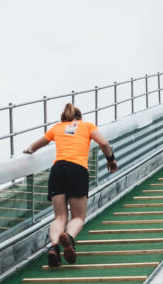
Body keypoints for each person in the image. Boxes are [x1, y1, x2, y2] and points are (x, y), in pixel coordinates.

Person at [23, 104, 118, 267]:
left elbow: (34, 146)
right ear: (79, 117)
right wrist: (111, 160)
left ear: (64, 118)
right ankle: (68, 237)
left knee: (59, 217)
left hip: (57, 170)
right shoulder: (87, 126)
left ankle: (54, 247)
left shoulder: (57, 128)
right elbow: (103, 143)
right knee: (78, 217)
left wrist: (27, 151)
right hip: (77, 170)